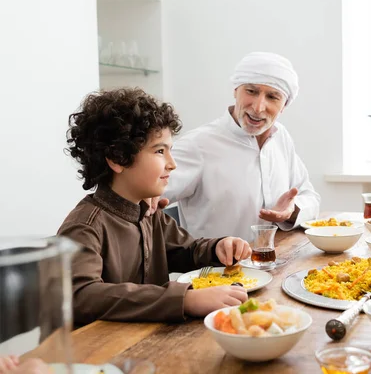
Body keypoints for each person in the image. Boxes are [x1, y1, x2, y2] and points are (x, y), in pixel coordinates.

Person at [58, 88, 251, 326]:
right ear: (118, 158)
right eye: (160, 151)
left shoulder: (149, 213)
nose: (172, 164)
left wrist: (218, 248)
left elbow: (185, 250)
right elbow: (82, 296)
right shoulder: (85, 227)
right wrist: (185, 300)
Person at [159, 52, 321, 241]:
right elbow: (140, 199)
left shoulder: (281, 138)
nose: (258, 107)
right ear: (236, 90)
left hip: (275, 265)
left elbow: (311, 198)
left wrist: (291, 210)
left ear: (284, 105)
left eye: (272, 97)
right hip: (215, 269)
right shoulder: (197, 145)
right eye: (251, 91)